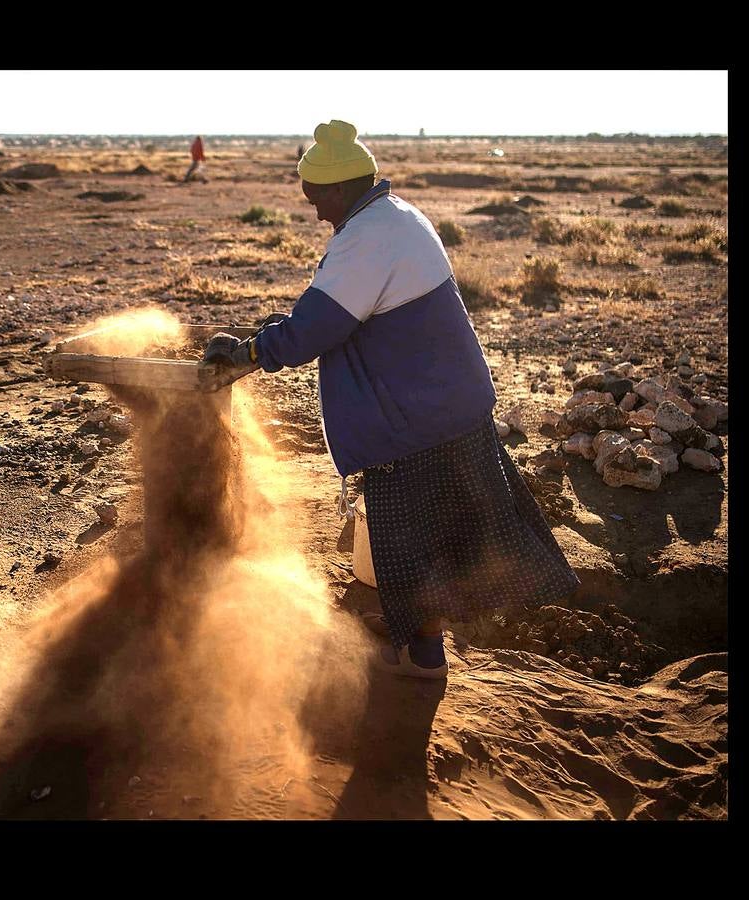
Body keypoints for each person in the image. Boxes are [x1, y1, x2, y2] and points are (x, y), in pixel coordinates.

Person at [204, 120, 580, 679]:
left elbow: (313, 329)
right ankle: (414, 629)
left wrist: (247, 352)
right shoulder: (398, 215)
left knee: (412, 547)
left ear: (336, 189)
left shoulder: (366, 240)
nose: (313, 212)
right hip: (448, 405)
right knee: (441, 540)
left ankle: (422, 660)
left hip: (417, 423)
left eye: (314, 199)